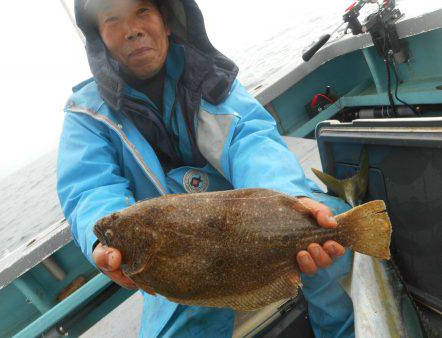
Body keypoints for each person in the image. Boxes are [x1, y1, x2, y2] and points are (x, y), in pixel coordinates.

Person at [57, 0, 354, 336]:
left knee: (329, 227)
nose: (132, 30)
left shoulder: (209, 77)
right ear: (99, 40)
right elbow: (89, 188)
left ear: (167, 21)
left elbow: (252, 141)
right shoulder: (87, 115)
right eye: (112, 19)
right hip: (173, 257)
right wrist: (104, 244)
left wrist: (288, 199)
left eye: (143, 11)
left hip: (250, 224)